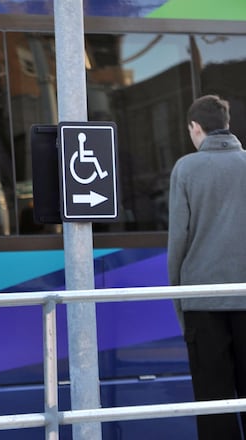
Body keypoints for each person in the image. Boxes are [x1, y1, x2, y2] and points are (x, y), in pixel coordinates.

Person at [168, 94, 246, 439]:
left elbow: (178, 243)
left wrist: (180, 299)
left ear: (195, 127)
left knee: (213, 404)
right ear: (227, 125)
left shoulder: (186, 168)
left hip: (202, 300)